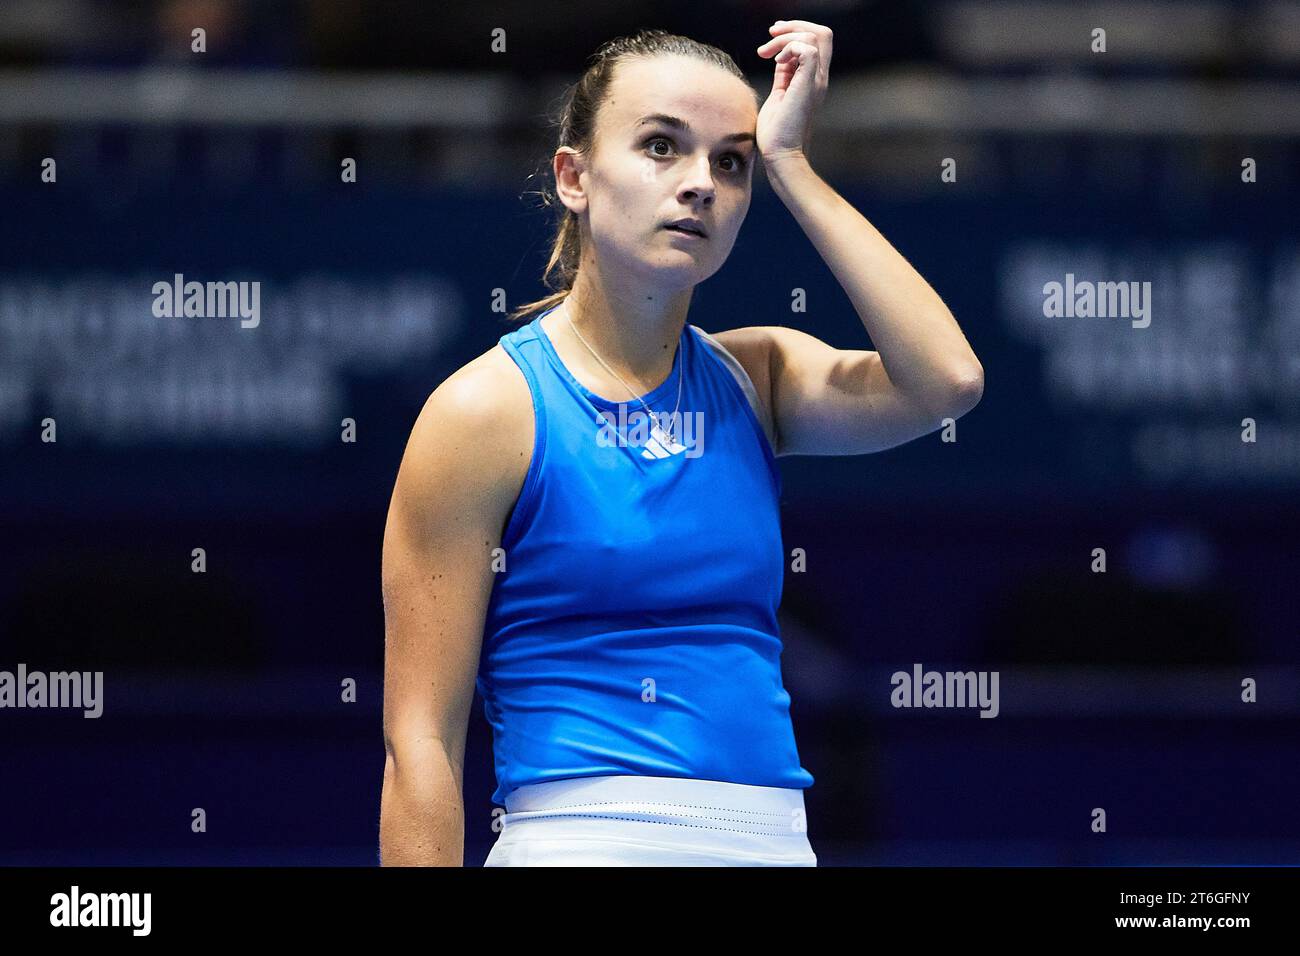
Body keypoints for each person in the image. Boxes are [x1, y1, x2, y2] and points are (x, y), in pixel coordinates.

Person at [379, 22, 983, 866]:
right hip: (580, 842)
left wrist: (794, 165)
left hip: (773, 843)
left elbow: (947, 382)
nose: (700, 183)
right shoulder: (484, 412)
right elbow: (421, 746)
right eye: (662, 145)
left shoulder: (757, 378)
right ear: (573, 176)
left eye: (731, 162)